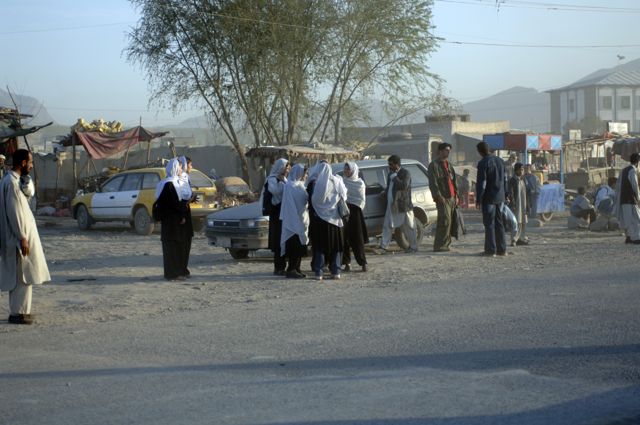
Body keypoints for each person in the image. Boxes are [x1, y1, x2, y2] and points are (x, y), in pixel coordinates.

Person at [0, 149, 51, 324]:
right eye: (29, 162)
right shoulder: (11, 183)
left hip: (20, 236)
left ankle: (23, 311)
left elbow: (27, 197)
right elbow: (14, 212)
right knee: (21, 275)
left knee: (25, 274)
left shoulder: (15, 181)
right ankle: (18, 313)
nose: (31, 165)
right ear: (22, 163)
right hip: (18, 237)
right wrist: (22, 236)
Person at [154, 158, 191, 281]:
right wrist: (182, 215)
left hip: (174, 221)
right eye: (180, 167)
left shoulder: (174, 183)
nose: (181, 169)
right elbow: (173, 203)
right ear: (175, 168)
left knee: (176, 247)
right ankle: (172, 274)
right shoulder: (169, 184)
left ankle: (177, 272)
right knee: (171, 248)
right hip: (171, 222)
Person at [310, 162, 347, 280]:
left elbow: (314, 201)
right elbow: (344, 196)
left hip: (320, 221)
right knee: (336, 246)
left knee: (320, 247)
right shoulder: (337, 181)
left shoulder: (317, 184)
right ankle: (336, 271)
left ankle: (319, 272)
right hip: (335, 221)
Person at [380, 155, 418, 253]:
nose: (389, 166)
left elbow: (404, 186)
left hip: (403, 205)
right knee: (388, 225)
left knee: (409, 227)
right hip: (392, 205)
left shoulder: (405, 173)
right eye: (389, 164)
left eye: (391, 164)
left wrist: (395, 177)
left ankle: (413, 247)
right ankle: (383, 246)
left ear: (397, 164)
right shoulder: (390, 174)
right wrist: (384, 193)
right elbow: (390, 187)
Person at [475, 142, 507, 257]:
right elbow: (505, 179)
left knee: (489, 224)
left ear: (480, 151)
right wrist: (506, 194)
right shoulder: (500, 161)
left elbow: (482, 183)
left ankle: (490, 250)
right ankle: (502, 250)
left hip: (489, 198)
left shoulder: (483, 163)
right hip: (501, 197)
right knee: (500, 223)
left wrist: (478, 198)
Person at [280, 164, 309, 279]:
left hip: (301, 220)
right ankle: (291, 269)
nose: (306, 176)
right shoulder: (290, 187)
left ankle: (297, 267)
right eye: (304, 173)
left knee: (300, 246)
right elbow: (290, 206)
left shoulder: (300, 186)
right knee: (294, 246)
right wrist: (295, 221)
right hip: (292, 222)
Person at [427, 143, 458, 252]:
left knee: (450, 221)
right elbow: (433, 183)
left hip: (452, 197)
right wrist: (438, 196)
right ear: (439, 151)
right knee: (444, 221)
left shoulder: (449, 165)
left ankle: (446, 244)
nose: (448, 152)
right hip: (442, 197)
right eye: (445, 150)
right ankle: (440, 246)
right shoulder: (433, 165)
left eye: (449, 150)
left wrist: (456, 195)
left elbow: (454, 181)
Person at [264, 158, 290, 275]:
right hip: (276, 214)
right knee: (278, 241)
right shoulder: (272, 179)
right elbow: (276, 192)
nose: (288, 169)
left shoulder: (285, 179)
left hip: (284, 214)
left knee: (285, 240)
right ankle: (278, 267)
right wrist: (282, 182)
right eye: (286, 167)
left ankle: (283, 266)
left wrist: (284, 181)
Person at [341, 161, 368, 272]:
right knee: (344, 239)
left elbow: (361, 200)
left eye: (349, 169)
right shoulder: (341, 182)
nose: (347, 171)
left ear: (353, 170)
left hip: (355, 213)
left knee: (357, 239)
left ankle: (363, 263)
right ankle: (347, 263)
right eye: (345, 169)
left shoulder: (360, 183)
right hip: (344, 212)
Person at [614, 153, 640, 244]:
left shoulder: (623, 170)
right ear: (638, 162)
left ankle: (628, 237)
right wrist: (638, 197)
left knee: (627, 219)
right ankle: (636, 238)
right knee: (636, 218)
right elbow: (635, 185)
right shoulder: (632, 171)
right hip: (631, 199)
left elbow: (618, 185)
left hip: (623, 199)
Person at [177, 156, 194, 278]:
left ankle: (184, 267)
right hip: (181, 214)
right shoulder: (179, 180)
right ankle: (180, 268)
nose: (191, 167)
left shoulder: (186, 178)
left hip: (186, 211)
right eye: (190, 165)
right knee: (182, 242)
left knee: (187, 241)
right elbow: (180, 199)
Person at [507, 163, 528, 246]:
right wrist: (513, 203)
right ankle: (514, 239)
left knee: (523, 221)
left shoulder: (523, 180)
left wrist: (528, 205)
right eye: (521, 169)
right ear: (516, 170)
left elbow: (527, 193)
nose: (522, 171)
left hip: (523, 204)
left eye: (523, 169)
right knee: (516, 222)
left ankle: (521, 238)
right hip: (516, 204)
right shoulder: (512, 180)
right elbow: (510, 193)